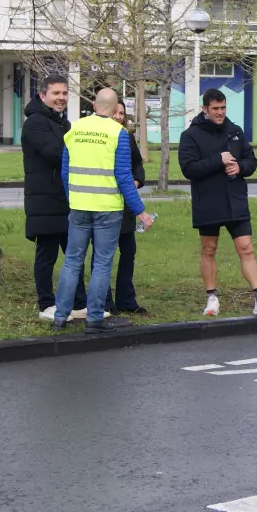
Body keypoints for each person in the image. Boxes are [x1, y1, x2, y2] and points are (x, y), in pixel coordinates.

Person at [53, 88, 154, 332]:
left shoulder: (74, 129)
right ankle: (95, 318)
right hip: (107, 208)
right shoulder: (117, 133)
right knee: (101, 262)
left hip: (79, 206)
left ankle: (60, 316)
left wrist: (73, 197)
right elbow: (123, 176)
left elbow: (65, 172)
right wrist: (140, 211)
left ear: (96, 106)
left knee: (72, 261)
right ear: (113, 108)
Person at [178, 88, 257, 318]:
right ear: (205, 109)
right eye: (215, 109)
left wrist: (240, 167)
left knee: (246, 248)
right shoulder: (191, 135)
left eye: (223, 108)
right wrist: (218, 160)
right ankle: (211, 298)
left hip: (235, 200)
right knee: (208, 249)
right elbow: (188, 169)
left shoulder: (235, 131)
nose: (220, 113)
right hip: (208, 202)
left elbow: (252, 160)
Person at [21, 74, 86, 322]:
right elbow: (54, 152)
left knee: (73, 252)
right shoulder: (35, 123)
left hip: (65, 199)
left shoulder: (63, 123)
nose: (61, 98)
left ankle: (79, 303)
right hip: (44, 199)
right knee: (46, 253)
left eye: (64, 93)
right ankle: (46, 304)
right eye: (56, 93)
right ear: (43, 95)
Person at [104, 100, 148, 315]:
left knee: (128, 251)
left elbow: (137, 165)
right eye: (115, 112)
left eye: (122, 113)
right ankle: (105, 301)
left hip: (126, 205)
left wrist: (137, 181)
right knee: (104, 256)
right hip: (107, 205)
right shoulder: (102, 138)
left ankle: (126, 299)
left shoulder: (127, 137)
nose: (119, 116)